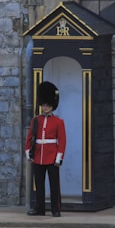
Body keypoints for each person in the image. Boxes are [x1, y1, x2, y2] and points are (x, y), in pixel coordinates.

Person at [25, 81, 66, 217]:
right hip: (38, 155)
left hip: (52, 156)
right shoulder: (36, 120)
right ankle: (39, 208)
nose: (45, 107)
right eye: (43, 105)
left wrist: (59, 157)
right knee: (39, 185)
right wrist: (28, 153)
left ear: (52, 105)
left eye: (47, 105)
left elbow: (62, 141)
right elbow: (30, 137)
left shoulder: (58, 121)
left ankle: (55, 209)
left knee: (54, 185)